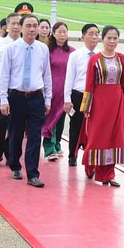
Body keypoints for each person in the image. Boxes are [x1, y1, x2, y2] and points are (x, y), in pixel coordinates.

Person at [0, 14, 52, 188]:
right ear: (21, 28)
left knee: (35, 136)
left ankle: (33, 174)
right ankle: (14, 164)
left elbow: (47, 75)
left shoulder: (43, 49)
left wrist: (48, 98)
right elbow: (4, 75)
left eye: (35, 26)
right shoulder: (11, 49)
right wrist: (3, 99)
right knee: (16, 133)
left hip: (36, 97)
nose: (32, 29)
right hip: (17, 97)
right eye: (28, 26)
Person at [80, 26, 124, 186]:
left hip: (117, 102)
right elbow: (89, 84)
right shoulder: (95, 59)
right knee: (97, 137)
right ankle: (91, 165)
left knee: (114, 137)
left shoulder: (121, 58)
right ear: (102, 39)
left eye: (115, 38)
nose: (112, 41)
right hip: (99, 102)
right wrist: (86, 107)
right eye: (109, 38)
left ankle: (108, 174)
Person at [64, 24, 101, 167]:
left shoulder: (101, 56)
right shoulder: (75, 55)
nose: (94, 37)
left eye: (96, 34)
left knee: (93, 128)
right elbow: (69, 78)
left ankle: (90, 154)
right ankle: (72, 155)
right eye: (90, 34)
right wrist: (67, 99)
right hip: (78, 95)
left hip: (95, 96)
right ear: (83, 36)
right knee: (76, 126)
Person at [0, 13, 21, 167]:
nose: (15, 26)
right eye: (12, 23)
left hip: (17, 89)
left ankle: (11, 153)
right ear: (6, 26)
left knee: (16, 123)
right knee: (0, 121)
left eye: (18, 24)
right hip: (0, 86)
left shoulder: (25, 45)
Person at [42, 21, 73, 161]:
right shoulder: (46, 50)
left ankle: (57, 143)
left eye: (64, 32)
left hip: (65, 92)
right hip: (51, 90)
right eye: (59, 32)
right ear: (53, 34)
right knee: (50, 119)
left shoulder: (72, 52)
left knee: (60, 119)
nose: (62, 35)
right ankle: (49, 148)